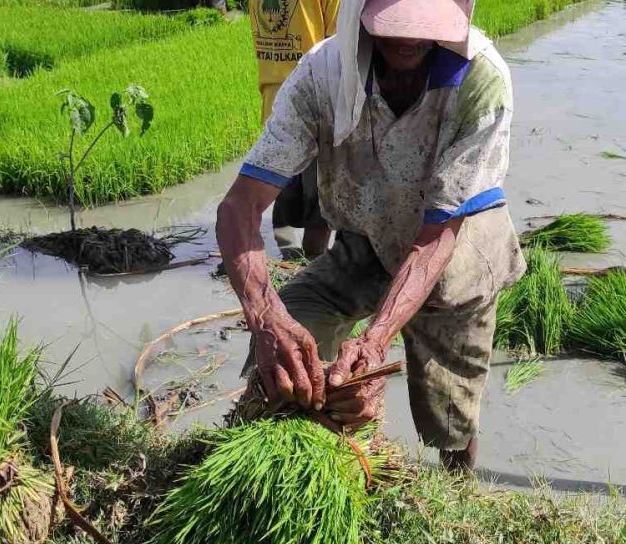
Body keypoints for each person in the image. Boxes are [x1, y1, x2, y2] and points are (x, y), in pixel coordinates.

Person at [218, 0, 526, 471]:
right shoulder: (322, 75)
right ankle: (307, 460)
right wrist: (265, 316)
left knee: (451, 416)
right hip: (368, 236)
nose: (407, 41)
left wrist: (375, 342)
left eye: (424, 27)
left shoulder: (481, 82)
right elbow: (239, 207)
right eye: (392, 26)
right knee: (291, 333)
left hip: (454, 249)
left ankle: (458, 495)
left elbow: (436, 237)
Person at [249, 0, 338, 258]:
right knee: (320, 197)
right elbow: (341, 45)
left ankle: (289, 259)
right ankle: (311, 265)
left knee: (283, 188)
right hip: (314, 100)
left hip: (274, 99)